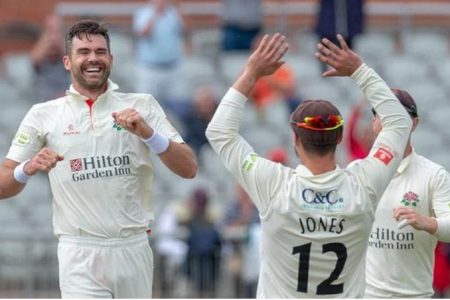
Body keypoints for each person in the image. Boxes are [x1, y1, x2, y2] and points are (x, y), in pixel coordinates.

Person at [0, 20, 197, 298]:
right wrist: (27, 168)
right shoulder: (43, 114)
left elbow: (189, 167)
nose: (93, 58)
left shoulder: (141, 106)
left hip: (133, 248)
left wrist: (149, 134)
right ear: (68, 62)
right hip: (80, 251)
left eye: (100, 51)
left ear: (111, 59)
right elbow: (3, 184)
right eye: (84, 52)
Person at [206, 33, 412, 297]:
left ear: (295, 139)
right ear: (339, 137)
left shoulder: (274, 184)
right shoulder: (363, 185)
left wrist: (251, 73)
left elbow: (219, 132)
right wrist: (359, 70)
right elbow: (400, 123)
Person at [364, 89, 450, 298]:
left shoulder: (434, 175)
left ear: (414, 123)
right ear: (374, 122)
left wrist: (428, 223)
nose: (389, 120)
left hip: (415, 295)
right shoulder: (358, 171)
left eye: (397, 114)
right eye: (382, 113)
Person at [133, 0, 185, 105]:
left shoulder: (173, 12)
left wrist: (180, 12)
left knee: (177, 106)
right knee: (146, 106)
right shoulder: (143, 13)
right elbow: (143, 33)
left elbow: (184, 31)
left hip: (173, 68)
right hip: (150, 69)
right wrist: (156, 15)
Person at [30, 14, 70, 101]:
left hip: (64, 96)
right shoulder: (40, 49)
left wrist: (59, 40)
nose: (54, 36)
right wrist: (48, 37)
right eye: (50, 31)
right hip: (44, 98)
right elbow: (34, 61)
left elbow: (72, 61)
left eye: (57, 31)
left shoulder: (65, 50)